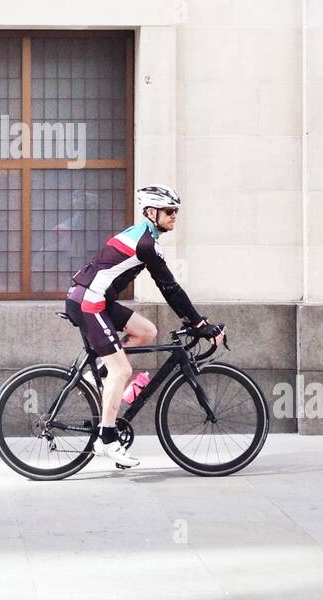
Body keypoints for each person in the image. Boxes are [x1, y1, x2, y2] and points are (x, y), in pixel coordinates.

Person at [64, 184, 225, 468]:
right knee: (122, 369)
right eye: (170, 211)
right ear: (152, 212)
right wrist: (199, 323)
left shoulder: (144, 237)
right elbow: (170, 288)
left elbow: (169, 289)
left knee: (147, 331)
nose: (175, 216)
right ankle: (107, 439)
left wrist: (196, 321)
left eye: (176, 211)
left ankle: (97, 378)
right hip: (90, 302)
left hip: (93, 298)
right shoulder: (145, 244)